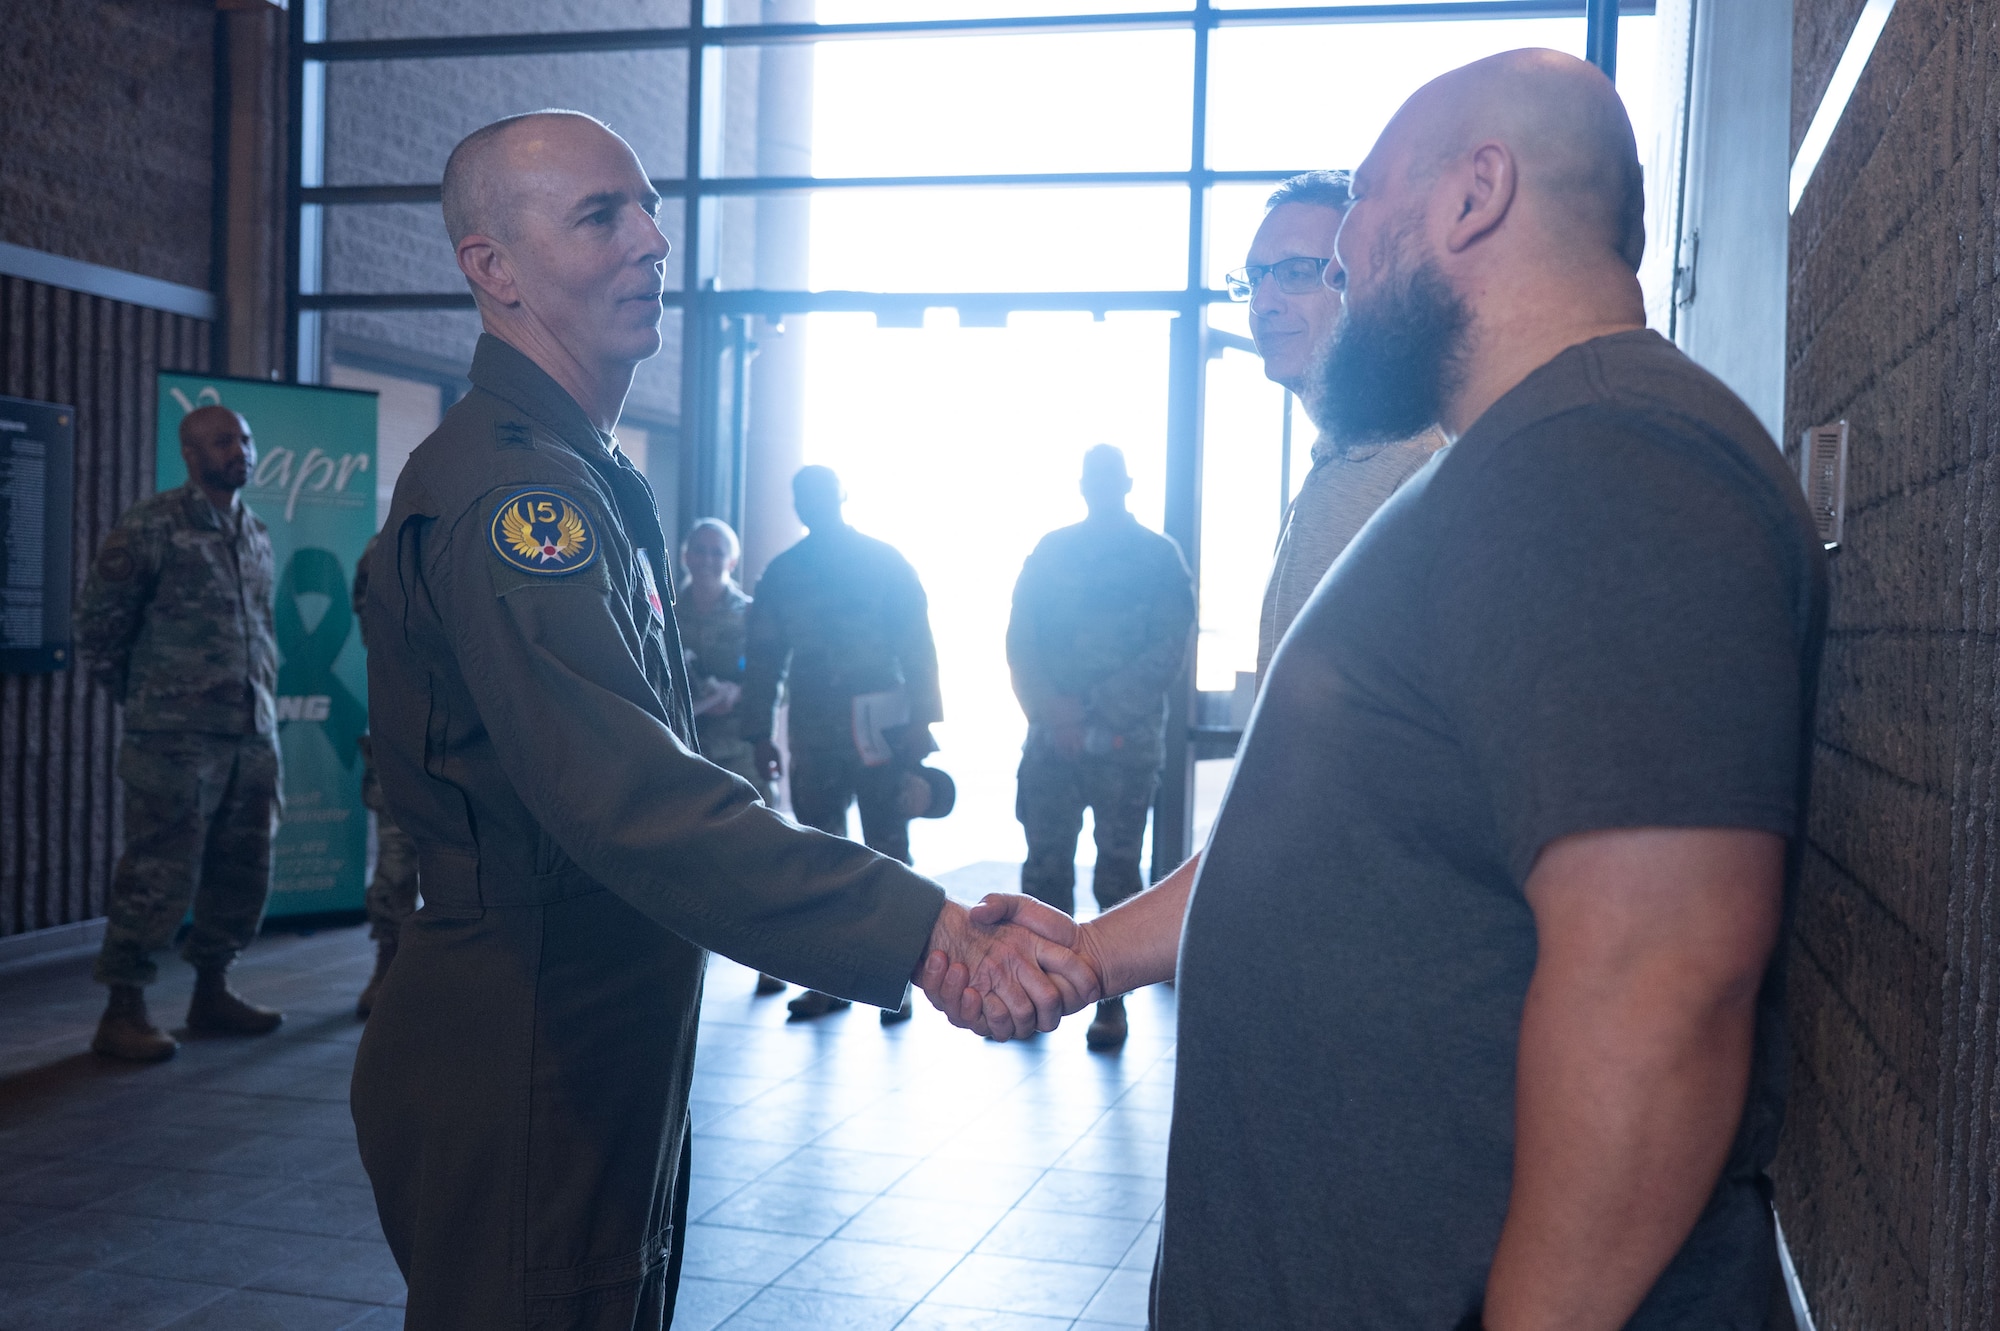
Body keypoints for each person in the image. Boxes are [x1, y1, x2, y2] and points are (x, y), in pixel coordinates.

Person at [960, 50, 1829, 1330]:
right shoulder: (1505, 467)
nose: (1341, 254)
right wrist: (1091, 952)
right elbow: (1324, 834)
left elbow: (1661, 976)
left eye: (1364, 202)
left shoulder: (1609, 458)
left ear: (1475, 194)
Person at [350, 110, 1089, 1331]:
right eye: (602, 216)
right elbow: (632, 796)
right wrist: (921, 925)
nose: (653, 239)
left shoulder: (572, 464)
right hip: (535, 1025)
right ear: (494, 268)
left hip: (593, 1012)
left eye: (646, 206)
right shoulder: (515, 491)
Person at [74, 404, 286, 1062]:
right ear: (190, 453)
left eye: (246, 438)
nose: (240, 450)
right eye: (224, 440)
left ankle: (212, 988)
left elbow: (262, 631)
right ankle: (123, 1008)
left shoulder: (253, 531)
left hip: (249, 735)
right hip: (174, 740)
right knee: (157, 870)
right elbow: (98, 628)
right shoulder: (152, 524)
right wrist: (149, 703)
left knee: (243, 866)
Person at [741, 464, 944, 1024]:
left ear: (841, 497)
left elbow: (917, 643)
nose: (813, 505)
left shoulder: (883, 562)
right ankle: (827, 981)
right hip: (815, 731)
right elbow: (763, 660)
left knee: (889, 853)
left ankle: (896, 980)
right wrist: (760, 733)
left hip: (880, 731)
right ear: (797, 506)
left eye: (822, 495)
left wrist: (922, 720)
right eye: (803, 497)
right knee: (821, 858)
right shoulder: (784, 573)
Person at [1006, 445, 1192, 1051]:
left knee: (1119, 874)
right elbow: (1021, 640)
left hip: (1124, 744)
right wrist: (1051, 711)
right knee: (1043, 873)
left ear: (1127, 484)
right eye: (1095, 479)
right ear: (1084, 486)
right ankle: (1029, 993)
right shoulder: (1052, 552)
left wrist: (1099, 711)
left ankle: (1111, 1004)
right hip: (1050, 743)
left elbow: (1169, 647)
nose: (1102, 487)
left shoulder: (1158, 558)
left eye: (1112, 478)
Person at [1232, 168, 1445, 684]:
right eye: (1255, 277)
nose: (1262, 303)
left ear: (1366, 284)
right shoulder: (1337, 464)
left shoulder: (1419, 468)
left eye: (1297, 273)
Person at [675, 516, 785, 997]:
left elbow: (774, 685)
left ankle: (774, 962)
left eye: (717, 552)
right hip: (683, 750)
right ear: (685, 555)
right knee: (690, 860)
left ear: (733, 560)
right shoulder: (662, 608)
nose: (707, 559)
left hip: (738, 753)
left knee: (761, 856)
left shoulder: (751, 614)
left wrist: (737, 695)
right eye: (699, 550)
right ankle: (685, 958)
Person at [349, 530, 418, 1019]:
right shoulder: (388, 546)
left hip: (481, 736)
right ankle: (388, 963)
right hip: (406, 730)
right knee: (396, 860)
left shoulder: (491, 527)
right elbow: (383, 636)